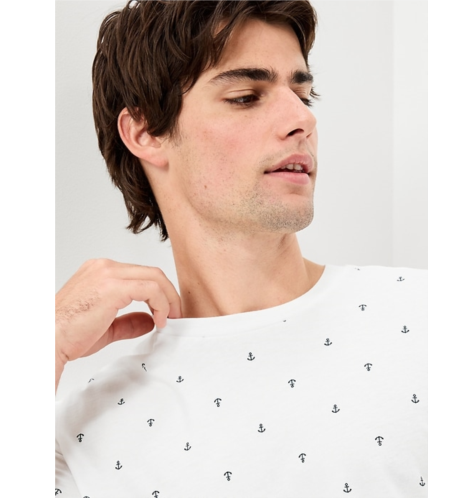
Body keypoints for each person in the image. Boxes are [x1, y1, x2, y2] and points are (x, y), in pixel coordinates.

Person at [55, 0, 428, 496]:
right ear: (145, 132)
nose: (302, 118)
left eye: (303, 93)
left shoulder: (415, 316)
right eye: (247, 96)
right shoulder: (87, 431)